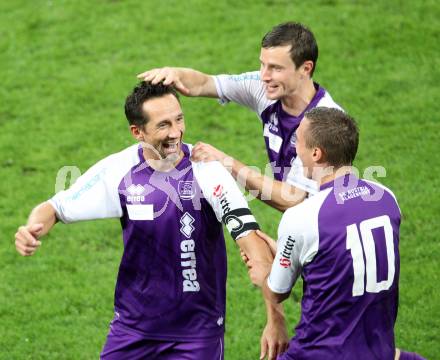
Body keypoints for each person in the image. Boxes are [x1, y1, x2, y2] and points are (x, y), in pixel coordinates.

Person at [14, 82, 287, 359]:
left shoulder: (207, 171)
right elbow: (56, 207)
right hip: (133, 329)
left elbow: (251, 240)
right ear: (138, 132)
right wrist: (31, 228)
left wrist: (275, 319)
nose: (176, 132)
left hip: (196, 333)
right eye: (163, 125)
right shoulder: (119, 171)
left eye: (179, 119)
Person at [247, 107, 426, 360]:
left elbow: (276, 291)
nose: (294, 147)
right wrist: (293, 256)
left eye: (298, 140)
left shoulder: (302, 217)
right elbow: (344, 262)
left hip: (318, 352)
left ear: (316, 153)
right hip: (377, 349)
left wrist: (265, 269)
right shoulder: (386, 197)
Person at [137, 22, 342, 211]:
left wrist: (225, 162)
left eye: (276, 68)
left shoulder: (325, 122)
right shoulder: (264, 88)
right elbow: (205, 84)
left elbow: (292, 199)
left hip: (327, 231)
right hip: (301, 226)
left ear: (305, 68)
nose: (264, 75)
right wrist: (174, 74)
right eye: (263, 64)